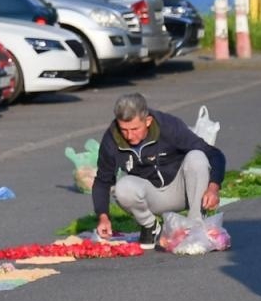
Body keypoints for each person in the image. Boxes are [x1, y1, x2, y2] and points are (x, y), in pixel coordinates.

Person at [91, 93, 226, 249]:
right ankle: (150, 226)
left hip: (182, 190)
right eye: (124, 130)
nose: (129, 136)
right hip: (151, 197)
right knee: (123, 187)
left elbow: (214, 154)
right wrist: (103, 217)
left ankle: (195, 224)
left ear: (147, 121)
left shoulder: (168, 126)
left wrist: (213, 187)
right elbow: (102, 181)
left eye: (135, 129)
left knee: (197, 157)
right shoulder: (112, 138)